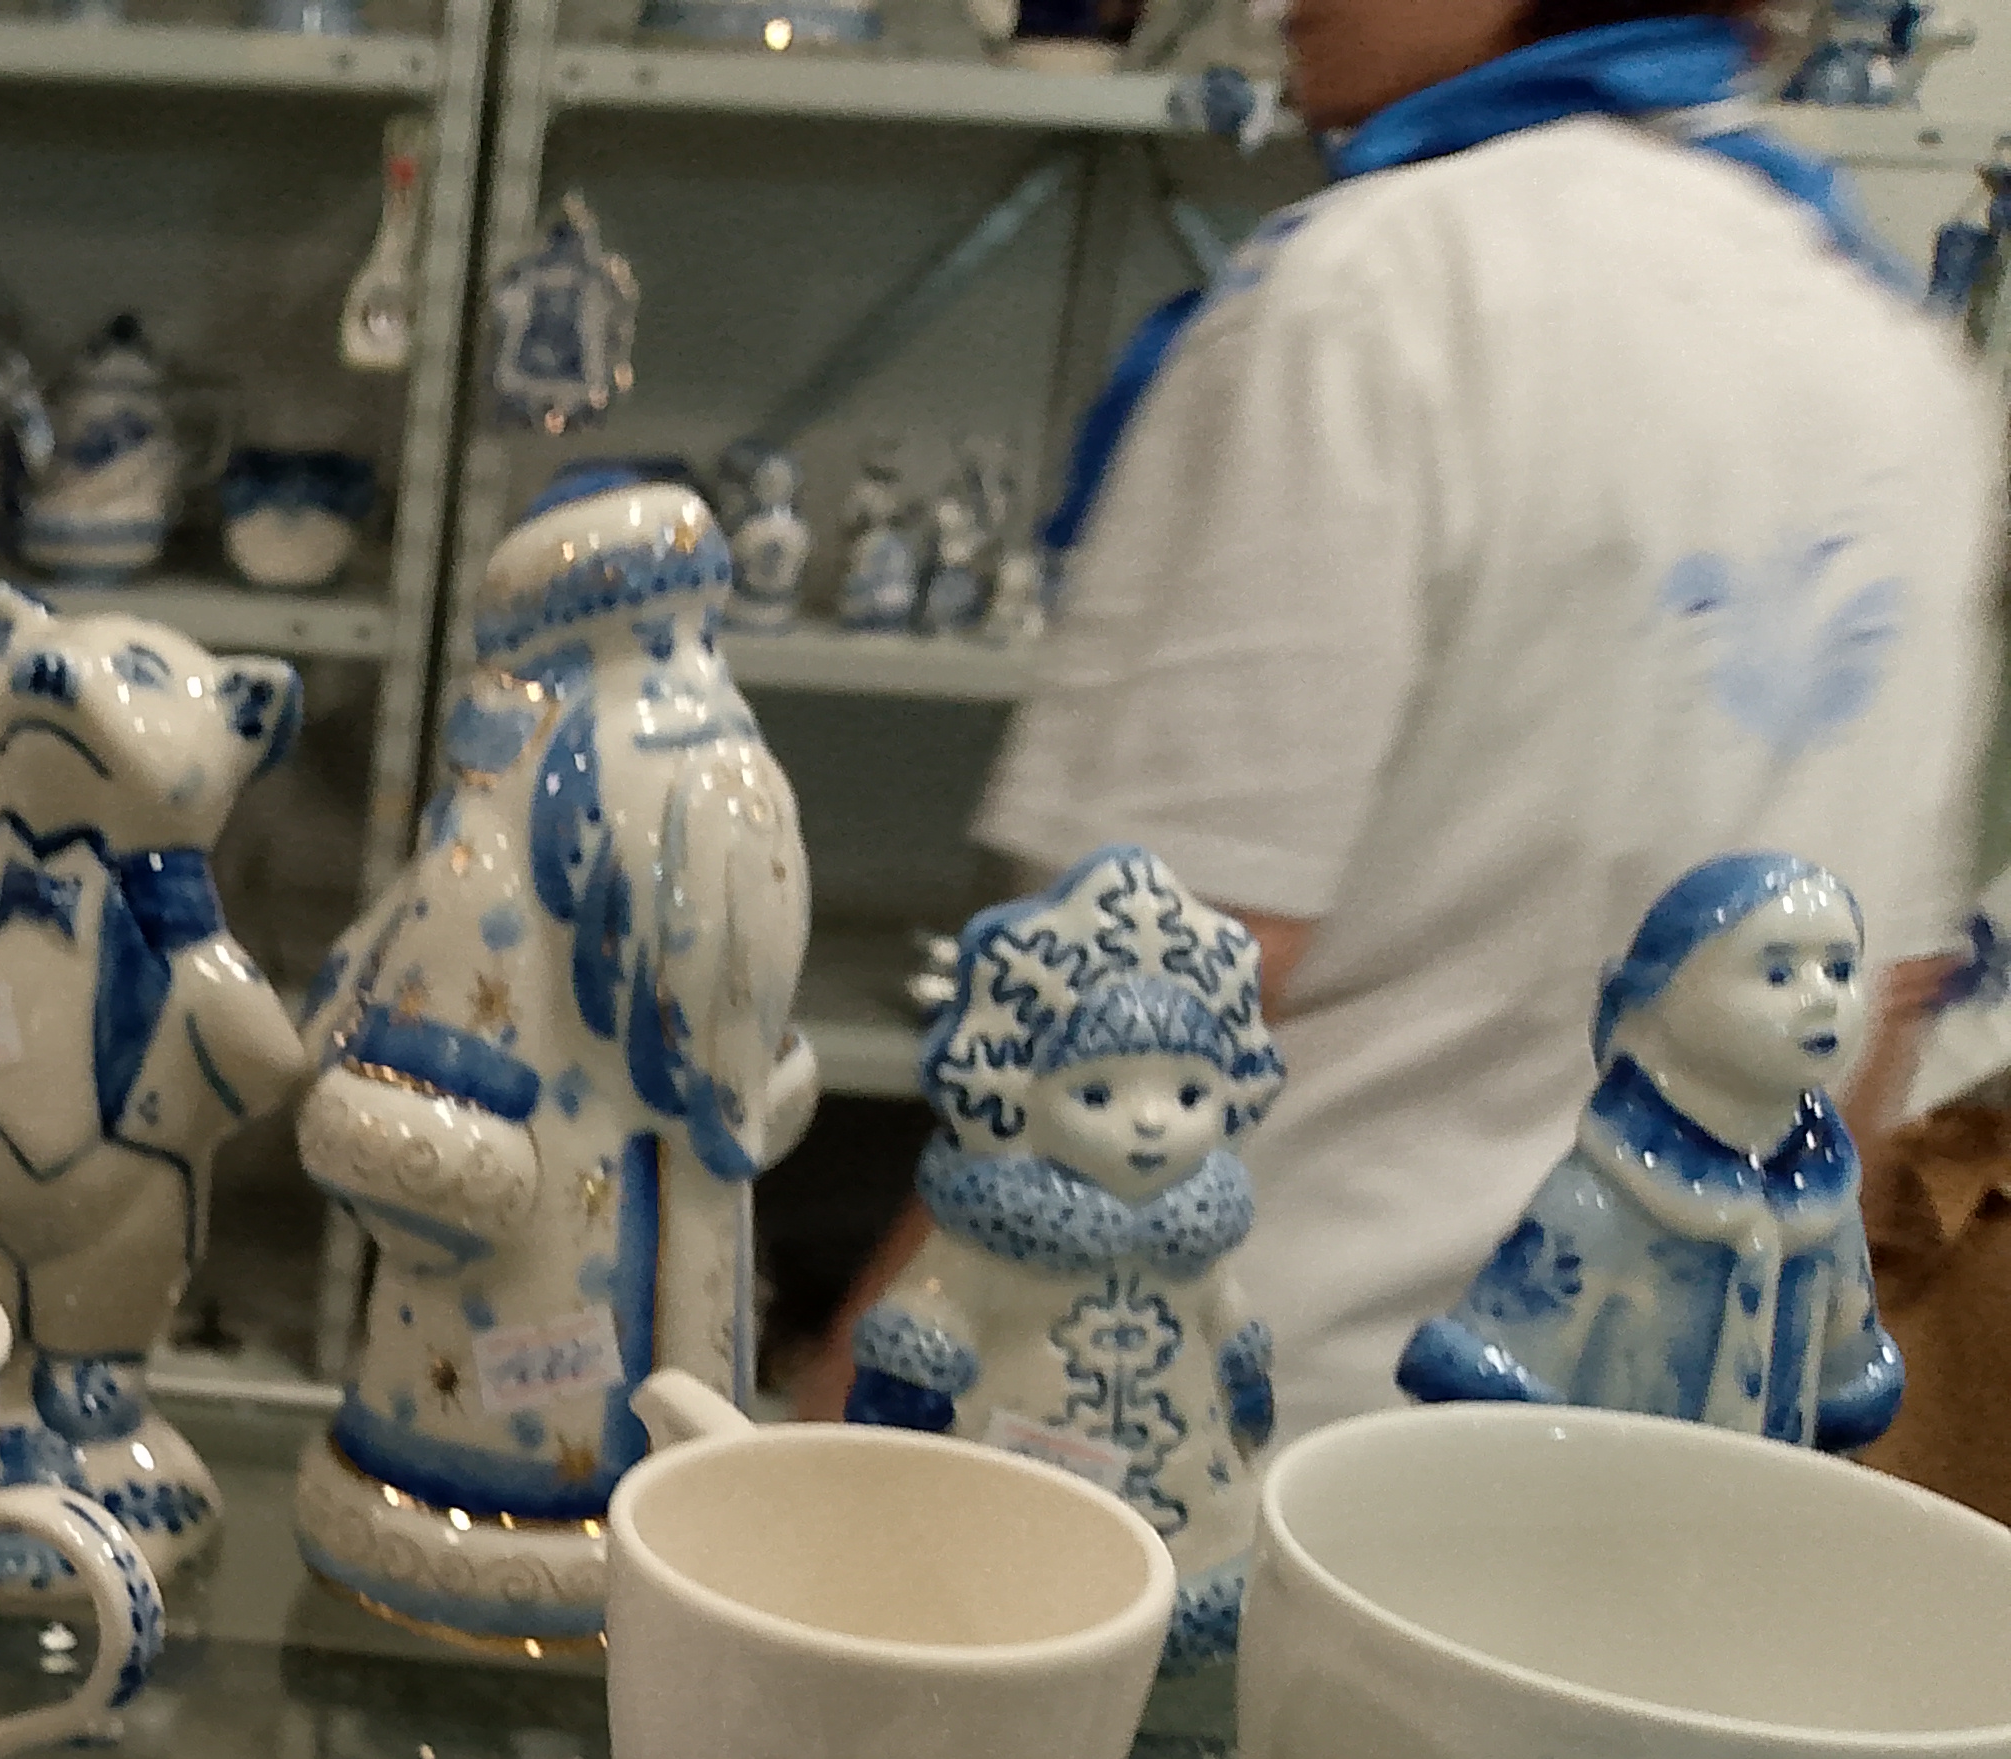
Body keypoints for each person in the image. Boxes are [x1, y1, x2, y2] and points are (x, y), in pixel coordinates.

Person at [825, 0, 2003, 1437]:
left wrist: (855, 1419)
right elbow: (1878, 1028)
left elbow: (1154, 986)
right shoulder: (1898, 363)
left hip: (1259, 1432)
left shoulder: (1376, 295)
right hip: (1659, 1467)